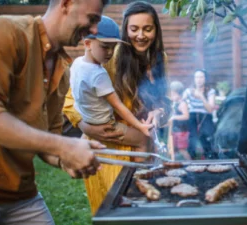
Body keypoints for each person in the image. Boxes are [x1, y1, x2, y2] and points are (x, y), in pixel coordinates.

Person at [0, 0, 110, 224]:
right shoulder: (6, 32)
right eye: (92, 19)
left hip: (21, 194)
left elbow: (49, 137)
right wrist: (63, 146)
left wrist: (64, 159)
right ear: (67, 4)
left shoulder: (62, 70)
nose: (95, 30)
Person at [63, 1, 171, 214]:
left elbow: (164, 101)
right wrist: (86, 125)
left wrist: (159, 113)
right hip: (109, 149)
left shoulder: (160, 58)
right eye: (134, 29)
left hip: (145, 147)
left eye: (147, 29)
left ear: (156, 31)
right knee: (113, 213)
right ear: (125, 30)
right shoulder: (109, 54)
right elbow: (70, 100)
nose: (141, 35)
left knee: (143, 209)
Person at [70, 15, 153, 155]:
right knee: (143, 140)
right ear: (88, 43)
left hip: (86, 117)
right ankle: (139, 175)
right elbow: (118, 106)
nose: (110, 52)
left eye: (113, 47)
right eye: (105, 47)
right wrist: (140, 126)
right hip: (106, 125)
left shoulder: (77, 63)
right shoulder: (98, 74)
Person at [183, 69, 217, 159]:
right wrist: (184, 102)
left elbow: (210, 109)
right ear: (194, 79)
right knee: (192, 138)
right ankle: (193, 160)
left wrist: (201, 96)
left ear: (205, 79)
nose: (199, 79)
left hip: (205, 116)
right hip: (192, 116)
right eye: (197, 77)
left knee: (206, 138)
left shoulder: (210, 91)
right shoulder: (188, 91)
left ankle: (210, 159)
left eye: (201, 77)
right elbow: (181, 103)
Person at [169, 81, 191, 160]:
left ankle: (191, 164)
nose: (172, 96)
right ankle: (175, 164)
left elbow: (186, 116)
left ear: (179, 94)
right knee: (174, 149)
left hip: (182, 131)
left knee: (182, 150)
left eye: (173, 94)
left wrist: (174, 117)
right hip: (176, 130)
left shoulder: (182, 104)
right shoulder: (175, 103)